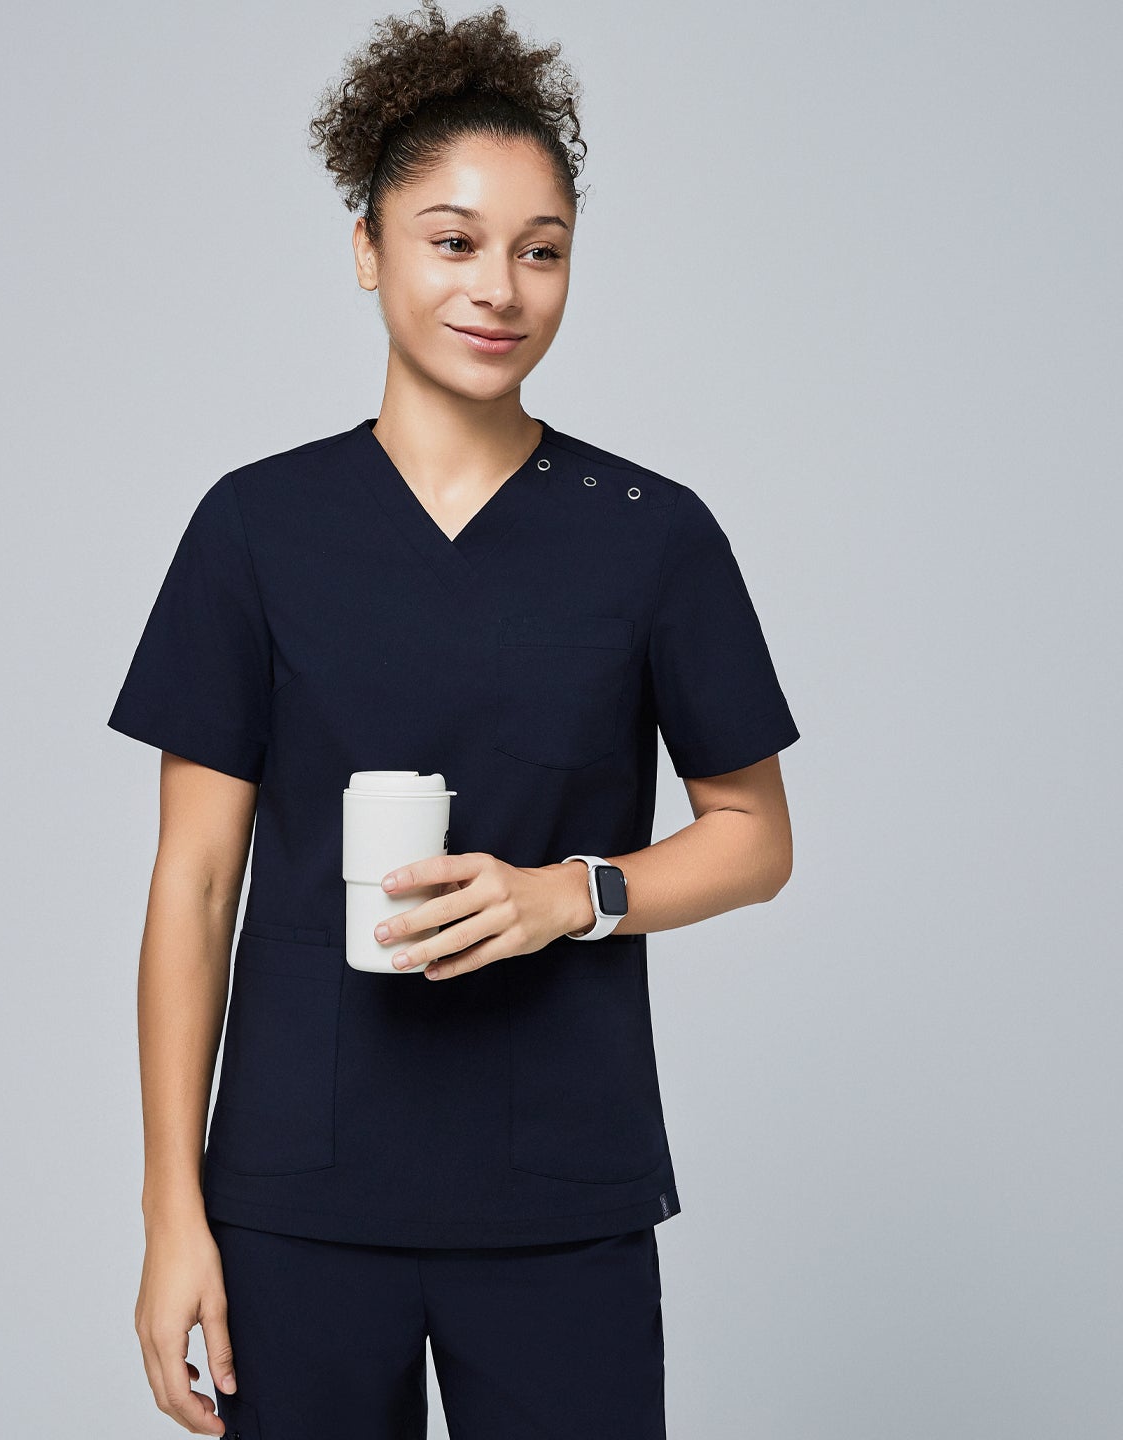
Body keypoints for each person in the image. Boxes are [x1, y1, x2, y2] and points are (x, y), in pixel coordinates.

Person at [107, 4, 799, 1436]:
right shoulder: (257, 529)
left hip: (562, 1196)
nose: (501, 287)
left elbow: (753, 837)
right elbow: (194, 881)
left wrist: (574, 896)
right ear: (367, 251)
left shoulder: (650, 537)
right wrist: (175, 1209)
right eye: (453, 239)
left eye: (540, 249)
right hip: (296, 1203)